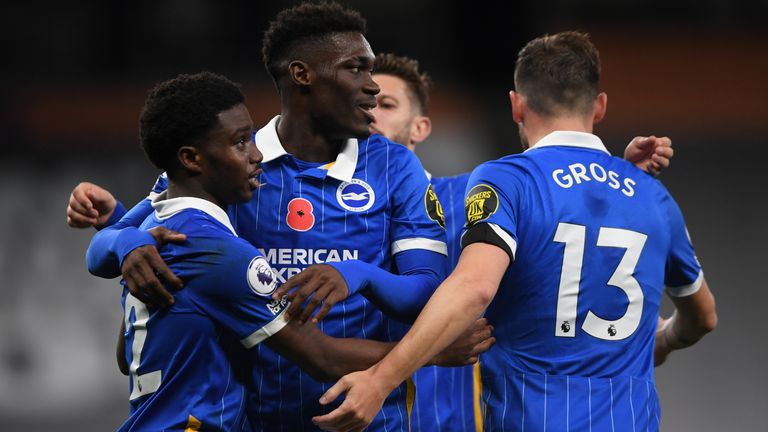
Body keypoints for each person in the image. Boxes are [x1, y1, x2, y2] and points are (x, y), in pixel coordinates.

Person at [76, 3, 473, 431]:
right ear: (302, 75)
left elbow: (425, 291)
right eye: (355, 69)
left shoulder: (396, 168)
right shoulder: (230, 164)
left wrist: (357, 275)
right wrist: (126, 240)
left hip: (369, 417)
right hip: (257, 417)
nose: (371, 86)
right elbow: (113, 241)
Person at [311, 31, 717, 432]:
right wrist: (663, 340)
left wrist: (381, 379)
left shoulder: (506, 180)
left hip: (529, 418)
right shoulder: (652, 197)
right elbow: (703, 316)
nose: (373, 114)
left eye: (386, 103)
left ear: (517, 106)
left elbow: (475, 287)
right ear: (600, 107)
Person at [115, 70, 429, 431]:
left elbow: (125, 354)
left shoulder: (152, 237)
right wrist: (430, 350)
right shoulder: (223, 254)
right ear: (191, 159)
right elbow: (321, 356)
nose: (257, 154)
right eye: (240, 143)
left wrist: (119, 239)